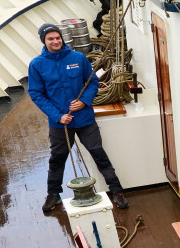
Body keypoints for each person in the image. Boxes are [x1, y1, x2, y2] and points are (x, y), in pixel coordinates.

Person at [29, 23, 127, 213]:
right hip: (60, 123)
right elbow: (36, 94)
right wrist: (58, 116)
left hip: (84, 119)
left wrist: (83, 101)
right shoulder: (37, 65)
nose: (55, 41)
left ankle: (116, 190)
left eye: (58, 38)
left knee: (98, 153)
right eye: (51, 39)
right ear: (44, 41)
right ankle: (53, 194)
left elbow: (92, 82)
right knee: (57, 158)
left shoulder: (78, 58)